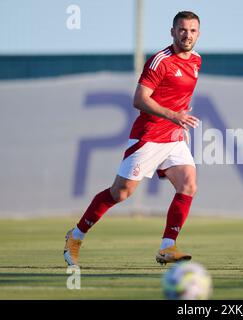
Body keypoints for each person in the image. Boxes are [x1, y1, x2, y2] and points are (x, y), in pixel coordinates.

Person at [64, 11, 202, 266]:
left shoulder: (196, 61)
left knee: (189, 185)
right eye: (182, 30)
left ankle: (167, 246)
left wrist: (176, 119)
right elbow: (139, 99)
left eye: (192, 30)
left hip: (173, 138)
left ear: (199, 34)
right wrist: (173, 115)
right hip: (148, 136)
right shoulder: (159, 61)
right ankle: (75, 236)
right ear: (172, 32)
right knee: (121, 193)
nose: (187, 35)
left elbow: (176, 95)